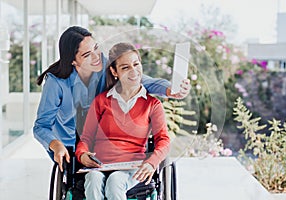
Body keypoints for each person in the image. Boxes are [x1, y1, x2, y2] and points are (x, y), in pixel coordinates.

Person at [33, 26, 190, 172]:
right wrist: (55, 145)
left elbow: (140, 79)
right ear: (73, 61)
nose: (96, 57)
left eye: (96, 48)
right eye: (87, 55)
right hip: (69, 147)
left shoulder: (107, 66)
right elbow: (41, 126)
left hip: (101, 143)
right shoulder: (56, 83)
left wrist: (170, 90)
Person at [75, 42, 170, 200]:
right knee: (93, 179)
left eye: (136, 64)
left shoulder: (152, 105)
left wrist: (152, 162)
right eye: (125, 67)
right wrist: (82, 154)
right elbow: (86, 138)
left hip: (133, 167)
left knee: (115, 180)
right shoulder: (101, 101)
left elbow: (164, 140)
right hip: (100, 165)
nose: (133, 71)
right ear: (114, 72)